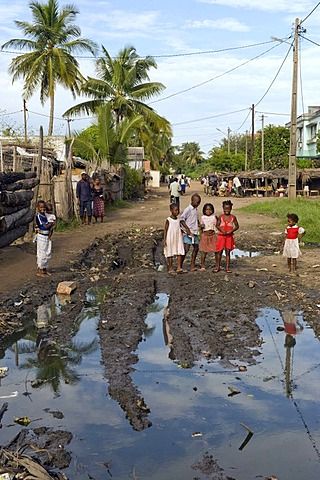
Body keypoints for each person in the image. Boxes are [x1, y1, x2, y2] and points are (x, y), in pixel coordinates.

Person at [215, 200, 239, 273]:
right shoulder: (221, 217)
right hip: (221, 236)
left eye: (228, 209)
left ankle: (227, 268)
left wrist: (231, 231)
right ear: (223, 208)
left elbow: (237, 226)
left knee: (228, 252)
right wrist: (222, 231)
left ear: (231, 208)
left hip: (229, 237)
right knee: (219, 252)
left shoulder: (233, 217)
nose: (227, 210)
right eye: (225, 209)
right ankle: (217, 267)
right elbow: (217, 225)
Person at [163, 203, 188, 274]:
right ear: (171, 210)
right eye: (175, 210)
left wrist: (185, 230)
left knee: (179, 251)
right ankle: (170, 268)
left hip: (178, 238)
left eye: (178, 210)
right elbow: (166, 230)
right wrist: (165, 240)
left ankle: (179, 267)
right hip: (170, 238)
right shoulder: (168, 220)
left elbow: (180, 226)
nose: (177, 212)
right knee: (170, 252)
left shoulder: (179, 219)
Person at [180, 193, 201, 271]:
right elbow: (181, 219)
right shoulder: (188, 209)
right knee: (186, 249)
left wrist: (199, 224)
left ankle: (192, 265)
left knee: (196, 248)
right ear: (192, 201)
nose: (198, 204)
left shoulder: (195, 209)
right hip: (188, 233)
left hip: (195, 232)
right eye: (197, 202)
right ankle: (180, 265)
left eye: (199, 202)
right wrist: (187, 230)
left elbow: (195, 218)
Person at [35, 200, 55, 277]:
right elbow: (44, 226)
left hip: (47, 236)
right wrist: (51, 223)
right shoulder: (39, 216)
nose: (43, 209)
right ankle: (40, 270)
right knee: (42, 253)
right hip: (42, 236)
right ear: (38, 208)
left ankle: (44, 269)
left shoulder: (45, 215)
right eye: (41, 207)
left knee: (47, 252)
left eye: (44, 207)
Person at [199, 203, 218, 271]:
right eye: (207, 209)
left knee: (216, 250)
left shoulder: (214, 217)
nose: (208, 211)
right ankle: (202, 265)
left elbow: (217, 225)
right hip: (205, 235)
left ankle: (217, 265)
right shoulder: (203, 217)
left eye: (210, 209)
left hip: (213, 235)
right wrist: (200, 235)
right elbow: (201, 227)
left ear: (212, 210)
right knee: (204, 251)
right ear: (204, 210)